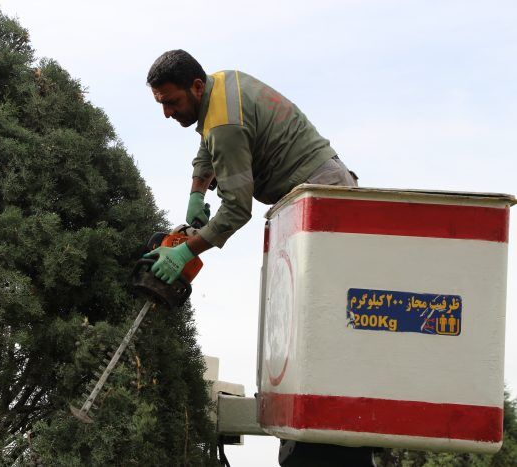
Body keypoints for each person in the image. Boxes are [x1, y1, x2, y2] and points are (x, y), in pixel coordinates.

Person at [145, 50, 373, 467]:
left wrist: (185, 251)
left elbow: (236, 210)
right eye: (160, 103)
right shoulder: (219, 86)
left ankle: (332, 438)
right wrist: (197, 191)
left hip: (327, 202)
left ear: (195, 87)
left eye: (171, 102)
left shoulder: (226, 122)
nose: (166, 112)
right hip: (310, 198)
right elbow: (206, 144)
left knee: (327, 324)